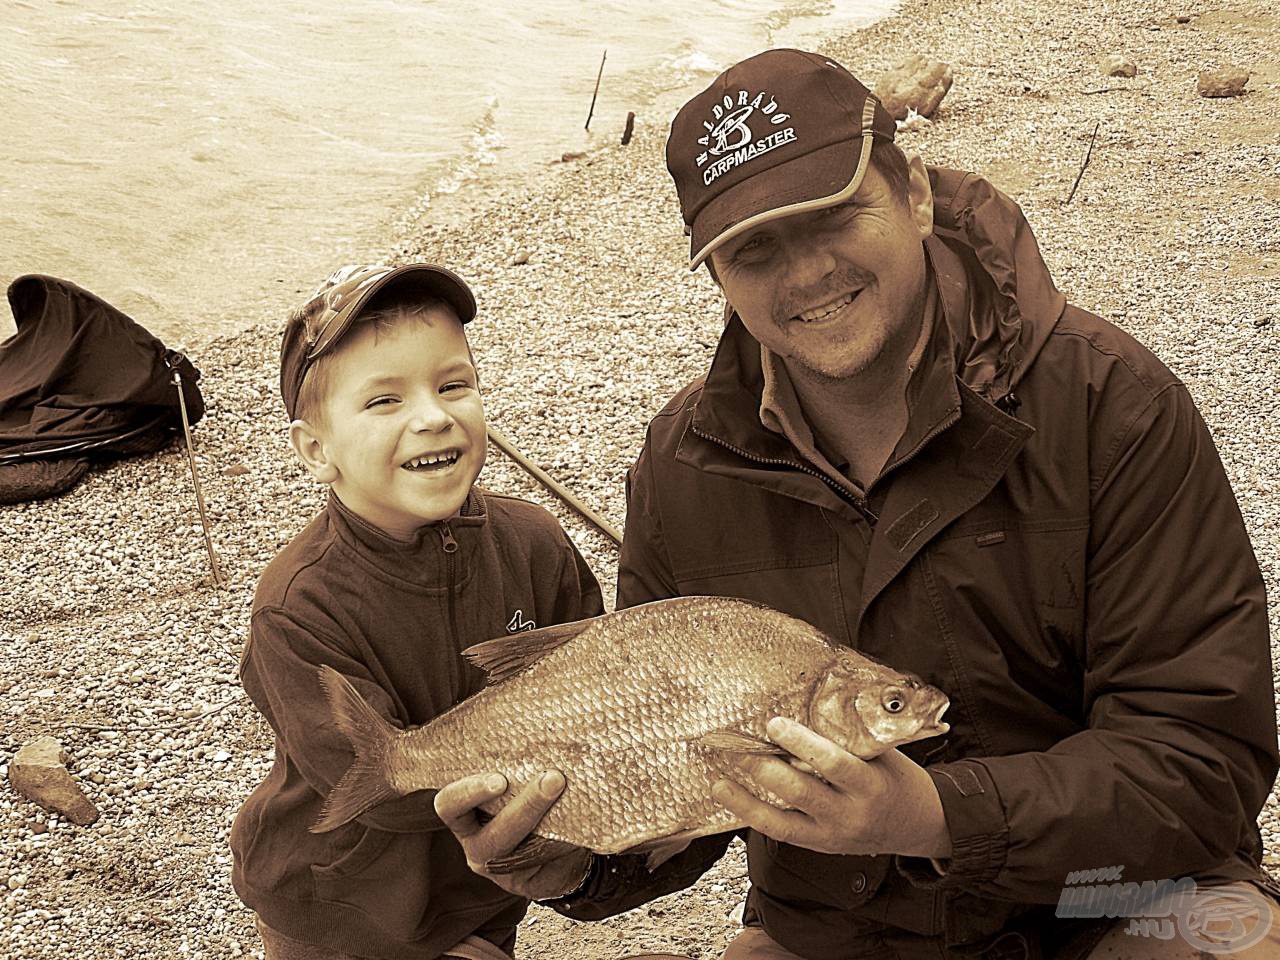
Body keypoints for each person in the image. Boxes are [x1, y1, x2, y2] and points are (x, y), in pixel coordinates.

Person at [433, 50, 1280, 959]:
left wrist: (935, 817)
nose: (803, 274)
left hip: (1109, 897)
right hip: (838, 929)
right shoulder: (681, 465)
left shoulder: (1112, 405)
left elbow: (1202, 761)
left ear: (913, 192)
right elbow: (677, 782)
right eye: (754, 248)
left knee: (1236, 941)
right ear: (717, 273)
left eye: (833, 215)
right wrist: (570, 864)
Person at [229, 263, 604, 960]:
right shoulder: (296, 604)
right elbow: (366, 780)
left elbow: (592, 687)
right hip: (331, 903)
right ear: (317, 451)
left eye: (453, 385)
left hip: (481, 887)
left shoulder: (536, 544)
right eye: (384, 402)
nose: (432, 417)